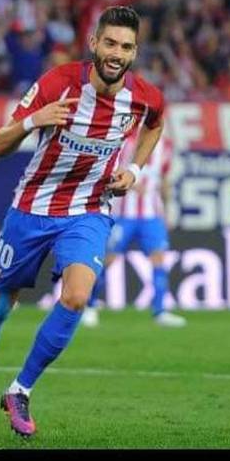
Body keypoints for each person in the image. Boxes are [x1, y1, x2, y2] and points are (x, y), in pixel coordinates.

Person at [0, 5, 165, 439]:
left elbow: (155, 125)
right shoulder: (58, 84)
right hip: (32, 208)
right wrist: (32, 121)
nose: (117, 54)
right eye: (111, 43)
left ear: (135, 53)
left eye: (127, 47)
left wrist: (135, 171)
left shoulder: (144, 96)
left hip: (89, 210)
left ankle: (20, 390)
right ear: (94, 43)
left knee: (77, 297)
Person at [81, 126, 186, 328]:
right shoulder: (125, 140)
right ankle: (90, 307)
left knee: (159, 260)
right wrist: (129, 183)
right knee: (106, 260)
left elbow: (164, 178)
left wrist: (168, 207)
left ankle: (160, 312)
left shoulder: (166, 145)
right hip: (123, 214)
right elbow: (110, 169)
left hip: (152, 214)